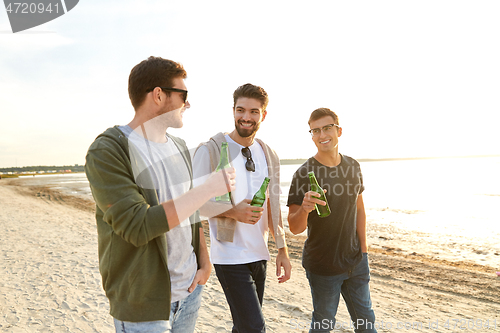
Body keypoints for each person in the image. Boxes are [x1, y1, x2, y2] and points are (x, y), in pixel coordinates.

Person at [84, 56, 236, 333]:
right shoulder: (108, 150)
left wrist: (204, 262)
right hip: (144, 303)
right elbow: (137, 225)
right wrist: (210, 188)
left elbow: (190, 211)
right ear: (158, 95)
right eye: (183, 95)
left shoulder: (179, 146)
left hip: (189, 292)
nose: (187, 103)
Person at [192, 83, 292, 333]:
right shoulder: (211, 151)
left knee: (244, 328)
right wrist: (233, 211)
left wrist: (282, 248)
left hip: (259, 252)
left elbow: (273, 203)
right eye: (241, 110)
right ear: (233, 111)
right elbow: (192, 203)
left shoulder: (269, 154)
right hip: (229, 254)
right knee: (254, 327)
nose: (246, 117)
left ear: (263, 115)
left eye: (254, 112)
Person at [287, 108, 377, 333]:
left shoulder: (353, 166)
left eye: (327, 128)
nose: (321, 134)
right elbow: (295, 227)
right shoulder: (303, 173)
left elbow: (359, 210)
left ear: (339, 131)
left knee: (366, 323)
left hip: (356, 262)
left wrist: (363, 251)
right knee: (323, 325)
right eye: (315, 130)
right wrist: (306, 208)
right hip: (323, 267)